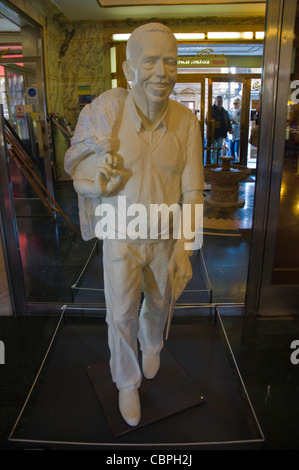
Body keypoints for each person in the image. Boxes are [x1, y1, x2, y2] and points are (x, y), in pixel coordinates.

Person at [64, 22, 204, 427]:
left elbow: (194, 191)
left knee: (160, 304)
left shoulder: (186, 123)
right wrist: (96, 183)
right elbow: (81, 177)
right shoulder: (106, 119)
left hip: (164, 238)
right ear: (129, 70)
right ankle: (126, 382)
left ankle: (152, 342)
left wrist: (185, 247)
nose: (162, 72)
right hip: (120, 236)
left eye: (171, 62)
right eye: (151, 61)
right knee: (121, 311)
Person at [210, 95, 232, 163]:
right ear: (215, 102)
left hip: (221, 133)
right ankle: (214, 163)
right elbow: (207, 121)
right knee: (214, 149)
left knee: (219, 149)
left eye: (221, 101)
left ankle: (218, 163)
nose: (220, 103)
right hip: (213, 133)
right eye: (218, 101)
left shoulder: (224, 111)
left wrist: (230, 129)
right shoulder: (211, 110)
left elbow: (227, 121)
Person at [229, 97, 241, 162]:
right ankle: (232, 162)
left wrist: (234, 120)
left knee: (237, 149)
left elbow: (240, 122)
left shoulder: (241, 111)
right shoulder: (231, 110)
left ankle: (237, 161)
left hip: (238, 131)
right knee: (231, 149)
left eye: (236, 103)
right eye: (234, 103)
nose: (235, 105)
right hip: (232, 131)